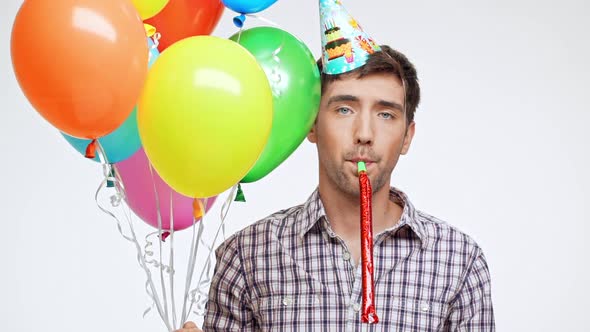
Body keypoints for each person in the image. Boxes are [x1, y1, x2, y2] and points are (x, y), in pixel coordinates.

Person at [174, 43, 495, 331]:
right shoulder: (246, 256)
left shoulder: (460, 260)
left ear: (407, 136)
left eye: (386, 114)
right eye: (344, 109)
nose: (364, 133)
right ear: (311, 124)